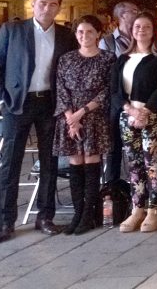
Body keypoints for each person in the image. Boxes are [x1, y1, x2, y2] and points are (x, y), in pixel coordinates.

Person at [0, 0, 79, 243]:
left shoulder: (65, 35)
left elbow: (69, 72)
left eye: (53, 4)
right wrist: (0, 100)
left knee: (49, 162)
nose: (46, 8)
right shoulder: (13, 30)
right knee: (9, 165)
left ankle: (45, 216)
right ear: (34, 5)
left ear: (58, 8)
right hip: (17, 105)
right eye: (42, 3)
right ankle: (6, 221)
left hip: (49, 105)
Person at [111, 12, 157, 233]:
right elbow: (115, 90)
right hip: (127, 115)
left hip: (154, 115)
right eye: (137, 26)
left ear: (153, 31)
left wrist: (145, 112)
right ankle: (137, 208)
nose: (141, 30)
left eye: (146, 27)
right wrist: (129, 109)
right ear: (132, 30)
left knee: (152, 163)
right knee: (134, 164)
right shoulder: (123, 58)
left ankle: (154, 209)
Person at [54, 15, 115, 235]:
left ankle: (89, 214)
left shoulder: (108, 58)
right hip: (70, 119)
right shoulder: (66, 59)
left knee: (91, 163)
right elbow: (60, 89)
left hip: (93, 116)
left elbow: (107, 91)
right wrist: (71, 117)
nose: (84, 36)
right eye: (80, 32)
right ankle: (77, 213)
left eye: (89, 32)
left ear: (98, 33)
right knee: (75, 163)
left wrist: (81, 113)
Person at [101, 0, 138, 183]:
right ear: (122, 15)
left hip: (138, 97)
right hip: (116, 100)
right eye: (134, 10)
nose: (137, 13)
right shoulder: (107, 42)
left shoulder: (140, 39)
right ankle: (112, 186)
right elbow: (103, 72)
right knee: (113, 146)